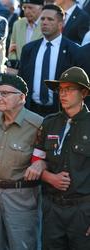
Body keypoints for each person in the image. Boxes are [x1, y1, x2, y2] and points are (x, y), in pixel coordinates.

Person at [0, 73, 44, 250]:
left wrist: (41, 164)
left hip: (20, 197)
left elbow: (47, 160)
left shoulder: (37, 125)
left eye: (5, 93)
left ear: (21, 97)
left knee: (21, 245)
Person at [33, 66, 90, 249]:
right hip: (52, 209)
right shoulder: (49, 123)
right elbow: (37, 159)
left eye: (69, 89)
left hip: (83, 211)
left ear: (84, 92)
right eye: (60, 90)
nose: (62, 94)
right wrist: (49, 177)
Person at [19, 4, 79, 117]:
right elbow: (22, 80)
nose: (44, 22)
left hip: (60, 112)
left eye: (50, 19)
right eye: (42, 19)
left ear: (61, 24)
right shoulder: (29, 49)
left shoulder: (73, 50)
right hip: (31, 110)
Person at [7, 0, 43, 74]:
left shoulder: (46, 25)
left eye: (30, 8)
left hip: (38, 70)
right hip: (18, 71)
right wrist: (14, 63)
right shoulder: (17, 24)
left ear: (41, 8)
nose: (26, 11)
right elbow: (13, 47)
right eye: (24, 8)